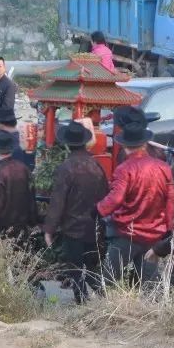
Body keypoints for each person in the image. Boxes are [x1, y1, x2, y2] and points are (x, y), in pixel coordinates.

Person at [97, 123, 174, 287]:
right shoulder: (164, 168)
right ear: (145, 144)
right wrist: (168, 228)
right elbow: (171, 202)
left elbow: (115, 199)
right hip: (154, 233)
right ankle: (154, 311)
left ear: (125, 146)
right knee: (150, 284)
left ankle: (103, 309)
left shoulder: (124, 169)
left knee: (108, 279)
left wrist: (98, 209)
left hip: (128, 233)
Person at [43, 122, 109, 303]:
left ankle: (82, 302)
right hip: (95, 226)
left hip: (73, 229)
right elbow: (106, 195)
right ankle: (106, 299)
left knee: (75, 269)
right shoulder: (96, 166)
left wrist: (49, 229)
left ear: (66, 144)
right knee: (93, 268)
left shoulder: (65, 168)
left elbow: (58, 202)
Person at [0, 130, 39, 246]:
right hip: (22, 229)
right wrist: (33, 222)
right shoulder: (24, 168)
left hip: (2, 234)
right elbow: (32, 199)